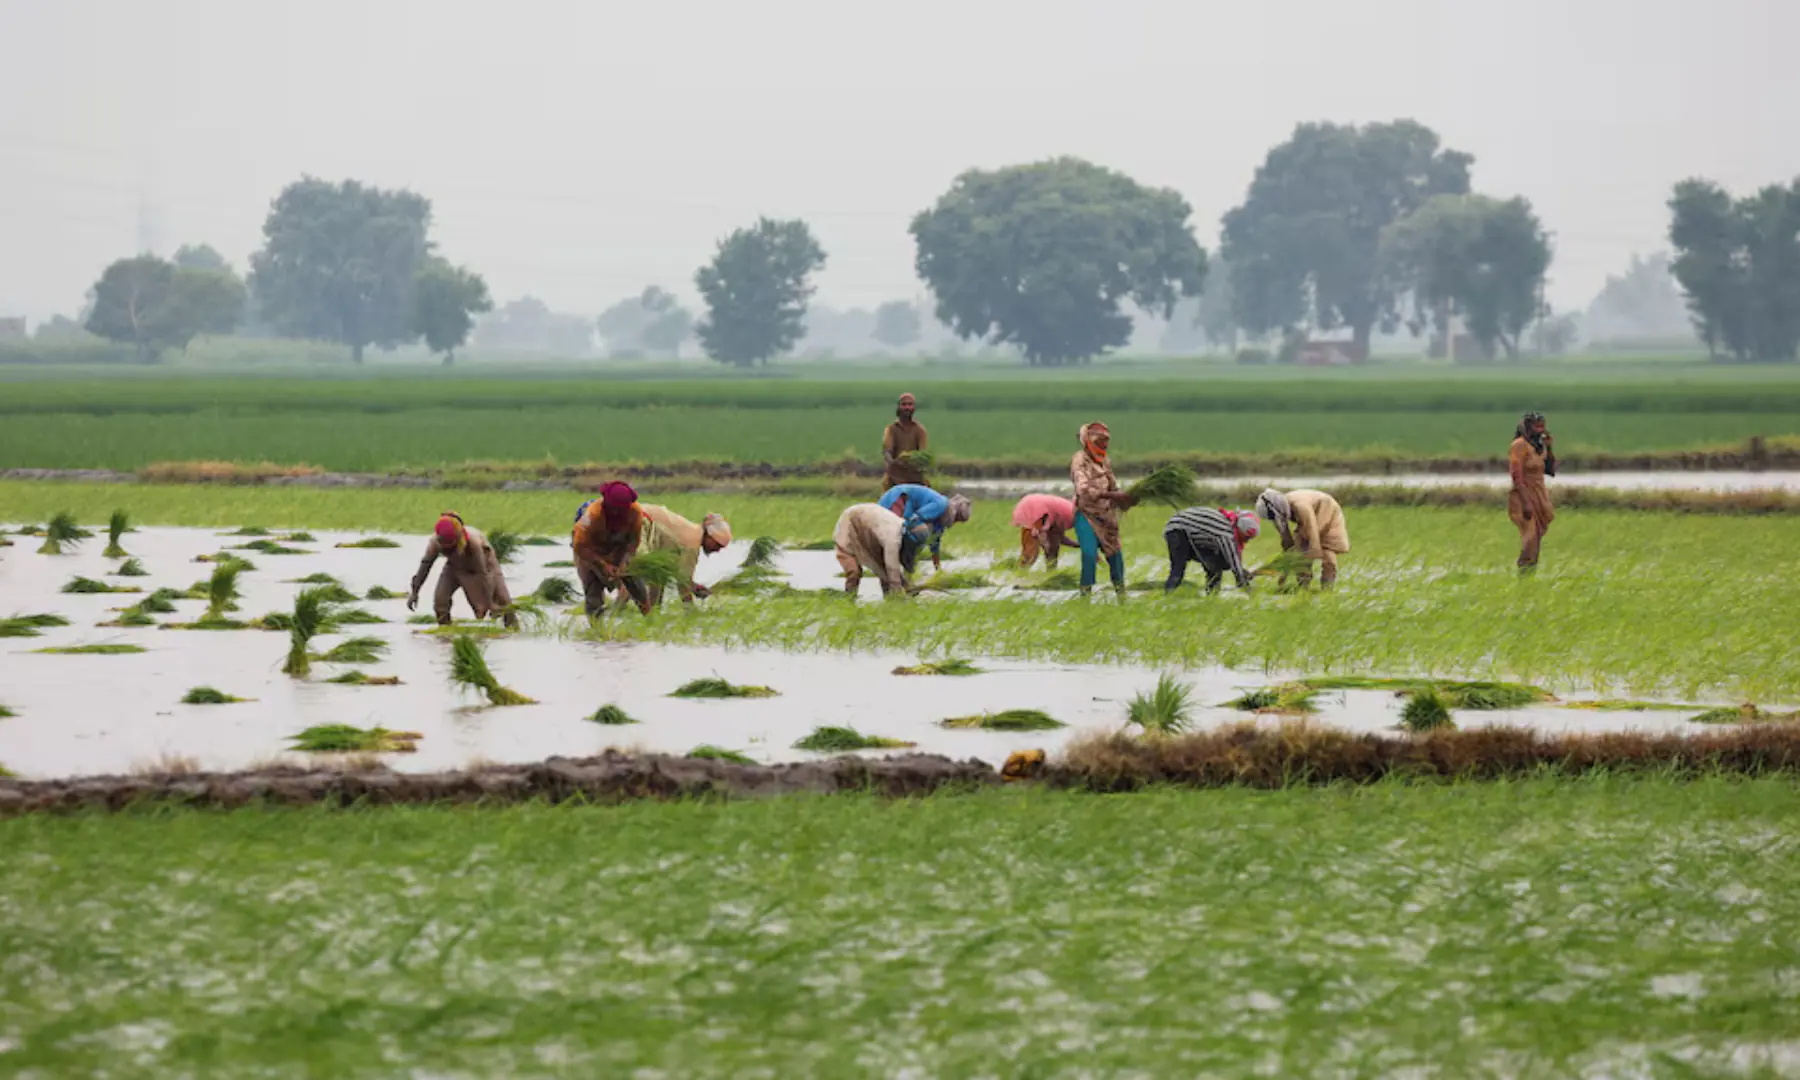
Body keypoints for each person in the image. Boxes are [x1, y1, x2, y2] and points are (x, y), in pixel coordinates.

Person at [408, 512, 519, 629]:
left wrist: (490, 602)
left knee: (503, 600)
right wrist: (415, 592)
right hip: (454, 566)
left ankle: (512, 629)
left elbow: (482, 575)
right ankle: (445, 632)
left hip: (485, 564)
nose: (448, 547)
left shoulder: (473, 542)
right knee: (440, 600)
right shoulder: (435, 541)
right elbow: (425, 566)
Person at [1070, 421, 1134, 594]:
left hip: (1107, 517)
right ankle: (1085, 598)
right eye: (1100, 441)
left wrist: (1125, 499)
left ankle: (1122, 598)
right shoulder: (1080, 460)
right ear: (1090, 441)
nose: (1104, 445)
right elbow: (1082, 489)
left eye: (1106, 442)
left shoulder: (1105, 461)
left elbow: (1113, 486)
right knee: (1089, 555)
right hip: (1086, 515)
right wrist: (1109, 495)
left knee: (1116, 558)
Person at [572, 481, 652, 617]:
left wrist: (624, 561)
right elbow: (580, 545)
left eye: (621, 511)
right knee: (593, 594)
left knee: (638, 589)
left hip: (619, 552)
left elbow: (633, 541)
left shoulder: (635, 512)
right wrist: (602, 564)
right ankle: (598, 633)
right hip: (592, 554)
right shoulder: (591, 515)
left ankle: (650, 622)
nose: (616, 513)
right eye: (613, 509)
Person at [638, 503, 733, 606]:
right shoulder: (693, 543)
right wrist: (689, 609)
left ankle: (652, 611)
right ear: (709, 536)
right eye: (717, 545)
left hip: (641, 514)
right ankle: (620, 608)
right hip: (642, 520)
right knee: (636, 571)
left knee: (657, 574)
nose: (717, 550)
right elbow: (683, 582)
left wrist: (694, 586)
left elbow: (677, 577)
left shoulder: (692, 532)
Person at [1254, 488, 1350, 588]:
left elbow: (1311, 528)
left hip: (1327, 510)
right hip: (1307, 520)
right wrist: (1287, 562)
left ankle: (1327, 589)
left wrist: (1314, 549)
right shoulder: (1278, 512)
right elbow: (1287, 542)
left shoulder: (1300, 506)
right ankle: (1303, 587)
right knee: (1300, 554)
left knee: (1327, 555)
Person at [877, 483, 972, 573]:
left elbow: (934, 542)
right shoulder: (940, 505)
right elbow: (916, 518)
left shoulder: (941, 519)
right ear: (955, 514)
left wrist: (938, 570)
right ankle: (902, 563)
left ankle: (905, 566)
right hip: (897, 499)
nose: (954, 524)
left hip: (905, 512)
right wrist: (906, 533)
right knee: (920, 533)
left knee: (919, 537)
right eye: (957, 520)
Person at [1163, 507, 1259, 594]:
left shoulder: (1229, 523)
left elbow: (1230, 562)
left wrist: (1241, 571)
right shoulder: (1226, 533)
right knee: (1178, 568)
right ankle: (1168, 594)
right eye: (1247, 538)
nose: (1247, 541)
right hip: (1178, 529)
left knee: (1215, 567)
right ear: (1241, 530)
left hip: (1189, 531)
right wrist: (1248, 588)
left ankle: (1212, 595)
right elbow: (1233, 561)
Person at [832, 502, 918, 597]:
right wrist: (898, 589)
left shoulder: (901, 528)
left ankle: (889, 601)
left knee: (884, 573)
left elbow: (902, 565)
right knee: (854, 572)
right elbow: (892, 568)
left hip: (870, 532)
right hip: (851, 523)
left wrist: (908, 585)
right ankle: (849, 600)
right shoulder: (892, 538)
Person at [1509, 410, 1556, 571]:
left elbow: (1550, 471)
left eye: (1542, 426)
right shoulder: (1519, 445)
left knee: (1537, 538)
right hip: (1524, 495)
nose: (1540, 430)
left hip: (1539, 493)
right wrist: (1526, 502)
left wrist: (1549, 449)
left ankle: (1531, 572)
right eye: (1536, 426)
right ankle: (1523, 571)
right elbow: (1516, 476)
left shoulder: (1539, 447)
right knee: (1529, 537)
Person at [1012, 493, 1077, 569]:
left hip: (1030, 503)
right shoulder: (1072, 516)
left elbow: (1059, 537)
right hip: (1038, 511)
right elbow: (1055, 539)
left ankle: (1012, 572)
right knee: (1032, 555)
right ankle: (1016, 576)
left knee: (1033, 553)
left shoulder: (1068, 511)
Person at [882, 392, 929, 490]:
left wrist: (912, 461)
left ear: (914, 407)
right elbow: (887, 451)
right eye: (904, 404)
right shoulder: (892, 429)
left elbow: (922, 453)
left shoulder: (920, 430)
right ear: (899, 407)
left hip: (914, 476)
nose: (907, 407)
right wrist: (893, 465)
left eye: (910, 404)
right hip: (895, 475)